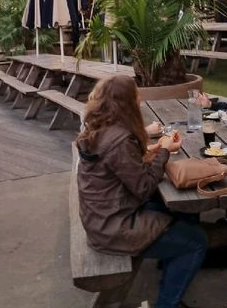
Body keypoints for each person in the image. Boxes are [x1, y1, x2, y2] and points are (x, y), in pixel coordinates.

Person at [76, 74, 207, 308]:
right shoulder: (119, 139)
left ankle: (168, 267)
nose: (139, 101)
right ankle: (168, 303)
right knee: (197, 240)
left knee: (179, 213)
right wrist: (164, 152)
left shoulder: (101, 128)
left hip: (100, 218)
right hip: (113, 228)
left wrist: (152, 151)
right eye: (136, 97)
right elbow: (144, 188)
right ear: (125, 103)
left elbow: (120, 169)